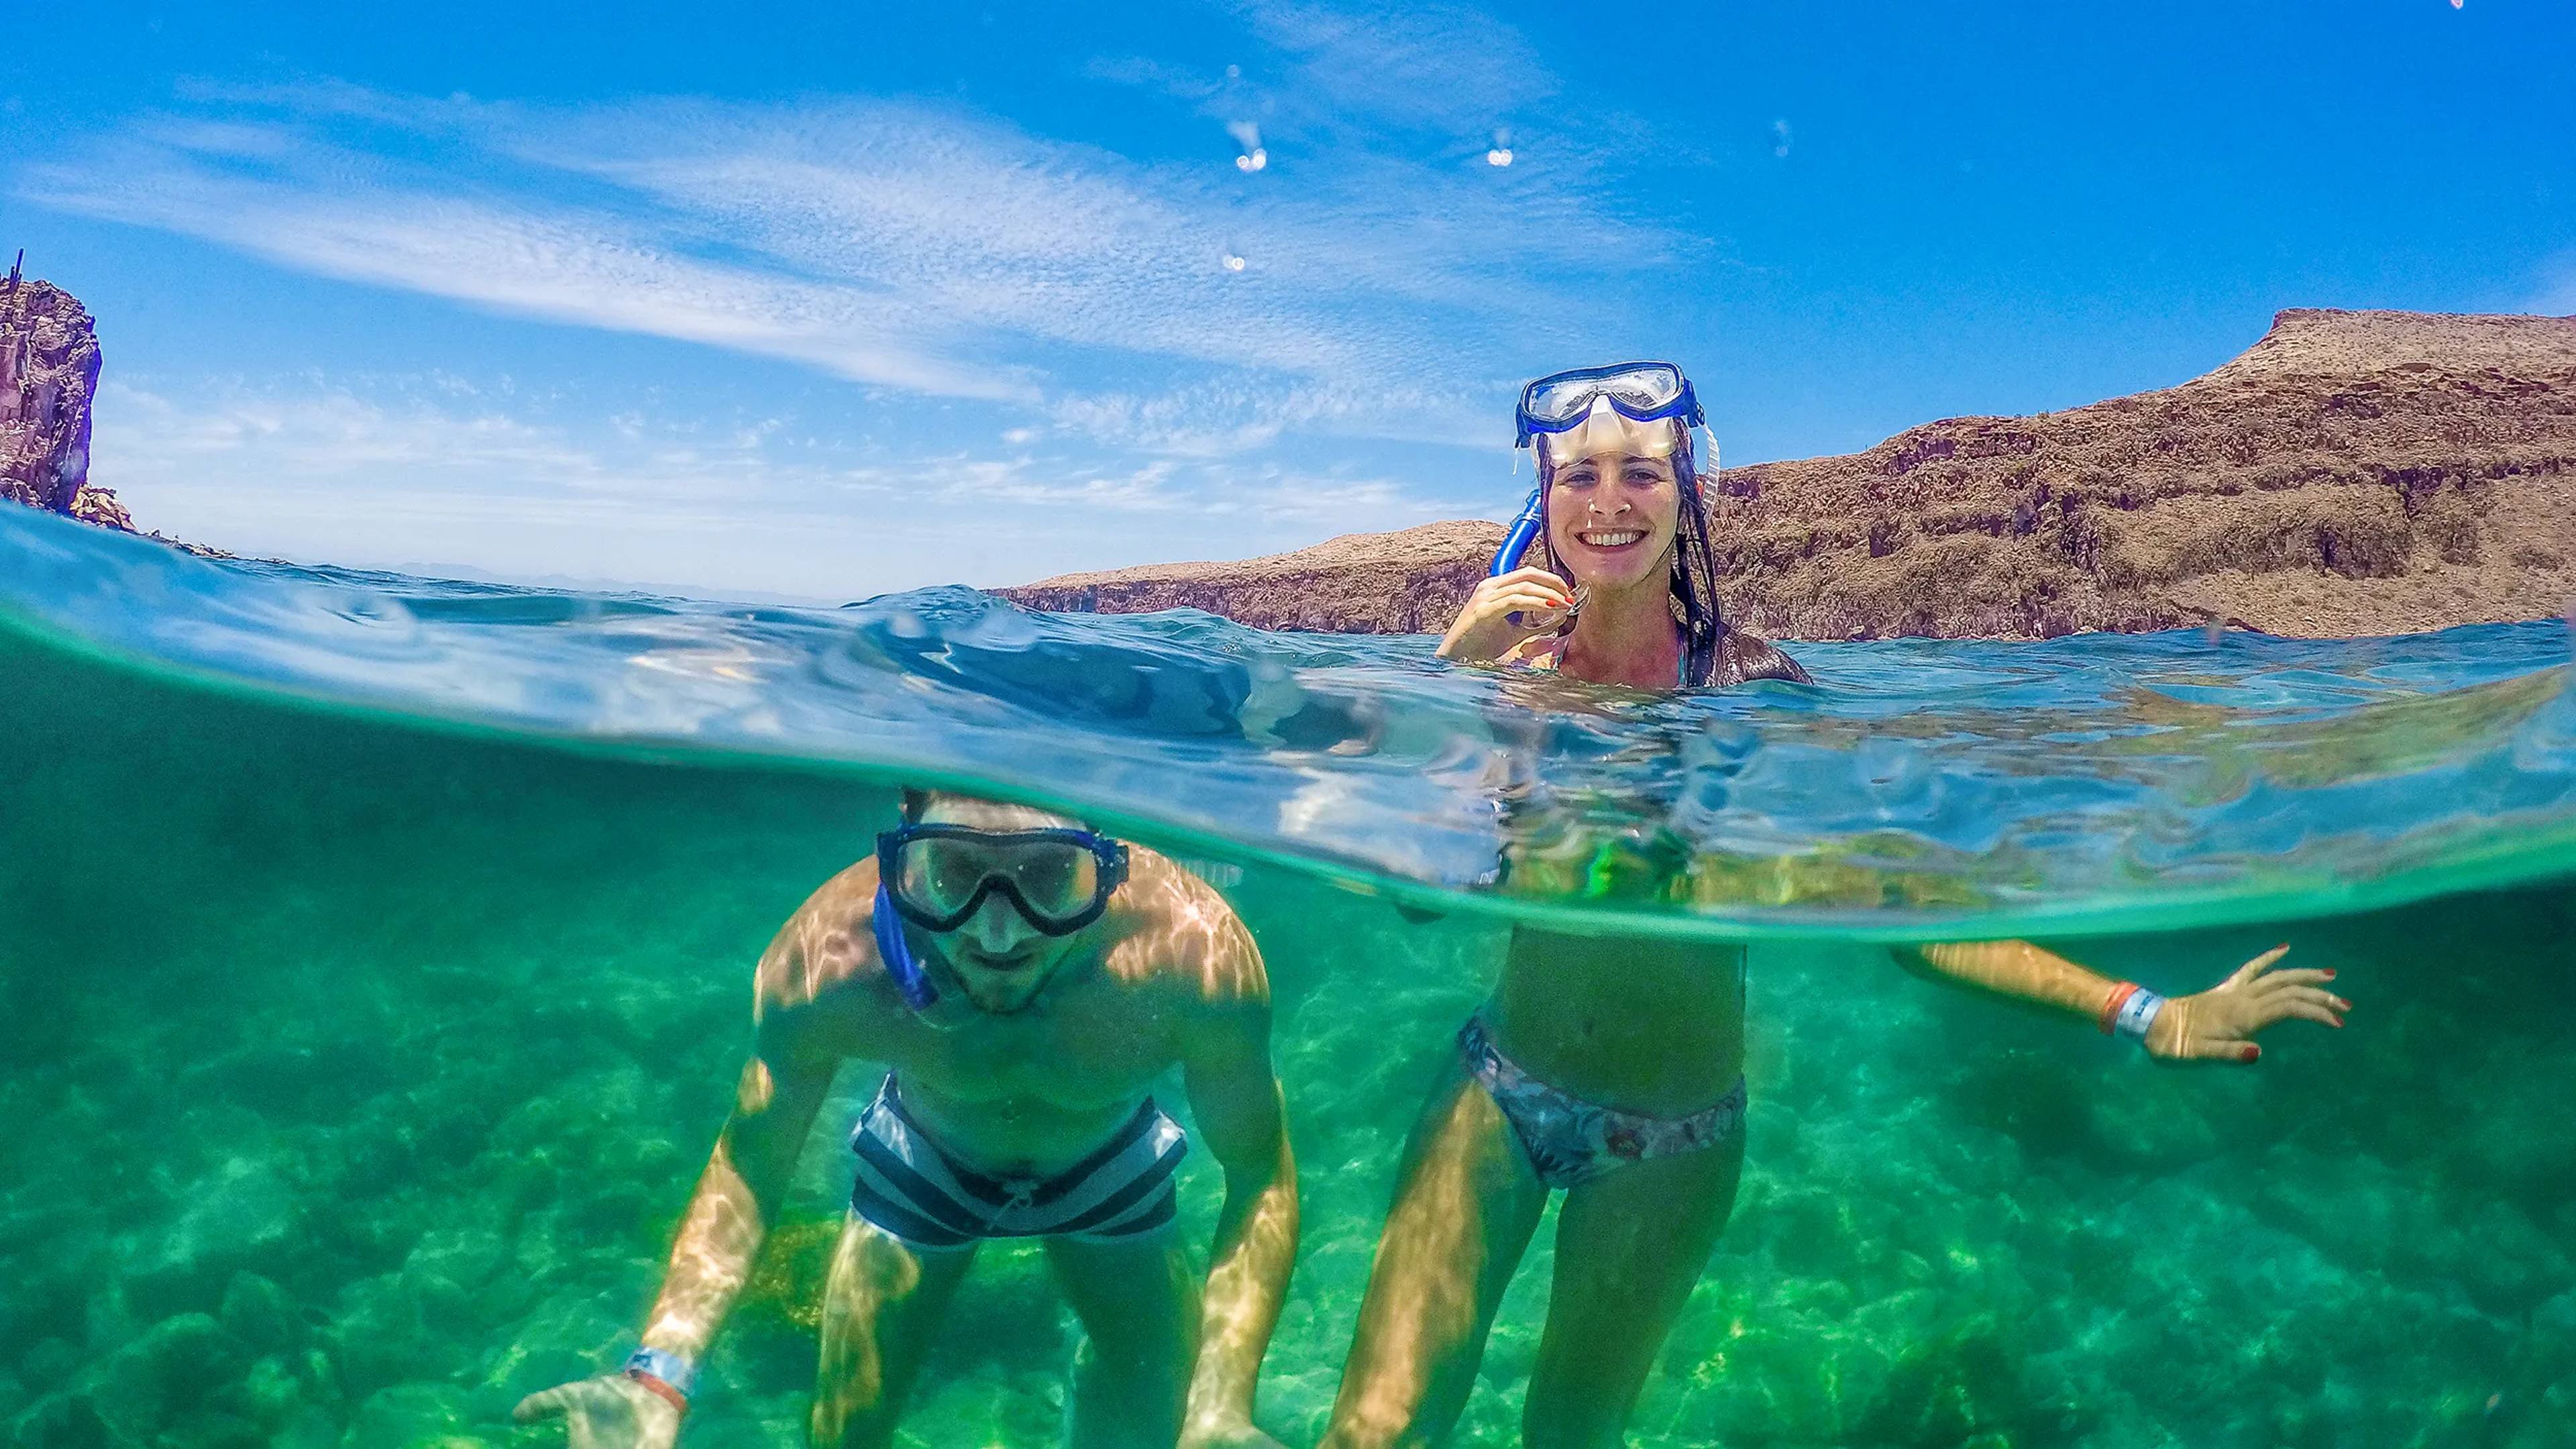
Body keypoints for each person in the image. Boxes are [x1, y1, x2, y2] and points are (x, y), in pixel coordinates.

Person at [1324, 362, 2351, 1448]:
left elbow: (1904, 919)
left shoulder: (1756, 697)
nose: (1611, 500)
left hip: (1671, 1141)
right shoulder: (1504, 684)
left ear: (1685, 497)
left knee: (1569, 1434)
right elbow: (1391, 895)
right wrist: (1445, 680)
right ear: (1545, 502)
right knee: (1374, 1432)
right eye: (1581, 475)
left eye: (1641, 472)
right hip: (1498, 1089)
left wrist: (2148, 1011)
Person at [516, 790, 1299, 1449]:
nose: (999, 933)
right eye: (957, 872)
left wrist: (1222, 1407)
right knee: (845, 1438)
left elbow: (1260, 1171)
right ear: (907, 856)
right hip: (924, 1164)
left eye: (1047, 874)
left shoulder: (1195, 958)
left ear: (1106, 854)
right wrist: (659, 1376)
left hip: (1110, 1166)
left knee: (1159, 1428)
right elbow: (751, 1165)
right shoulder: (830, 961)